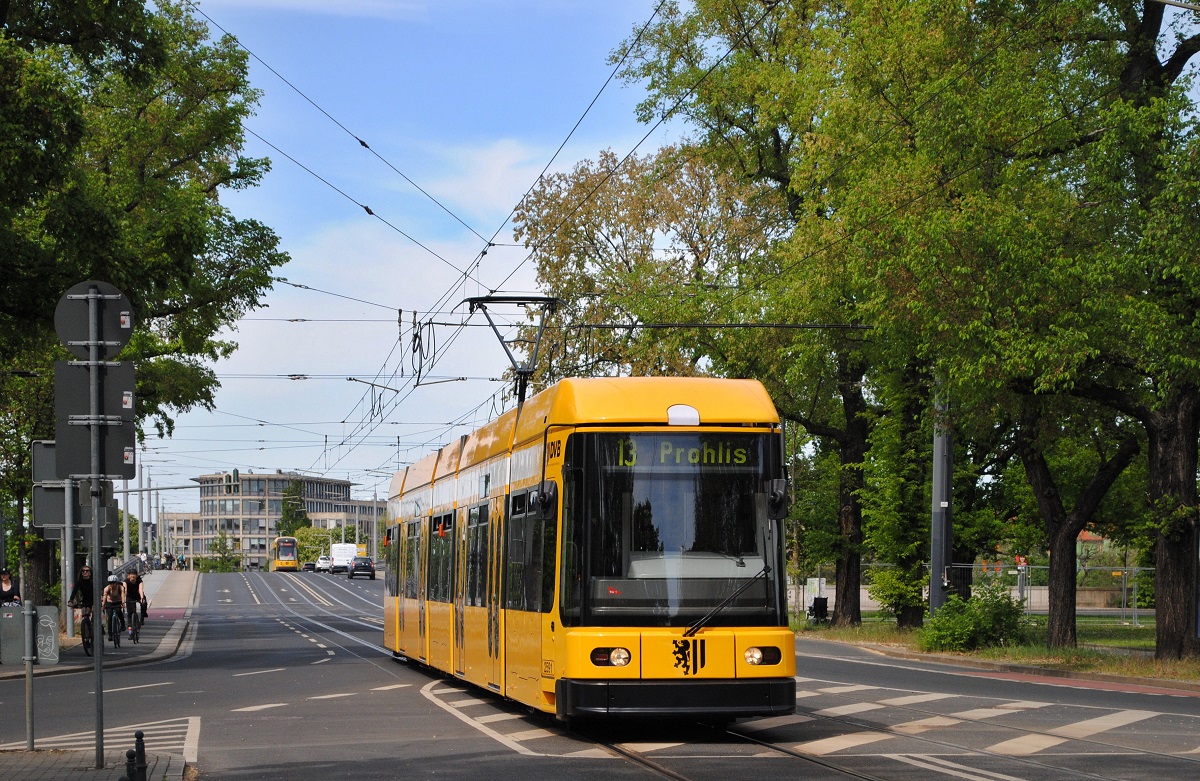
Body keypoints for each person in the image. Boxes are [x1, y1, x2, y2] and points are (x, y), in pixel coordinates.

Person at [124, 569, 146, 637]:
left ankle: (142, 618)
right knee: (129, 613)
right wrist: (124, 600)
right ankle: (130, 631)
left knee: (144, 603)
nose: (132, 576)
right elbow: (125, 591)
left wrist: (142, 598)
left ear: (136, 575)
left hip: (137, 595)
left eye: (134, 575)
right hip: (130, 596)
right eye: (131, 575)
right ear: (129, 575)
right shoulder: (126, 581)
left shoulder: (139, 581)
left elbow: (140, 590)